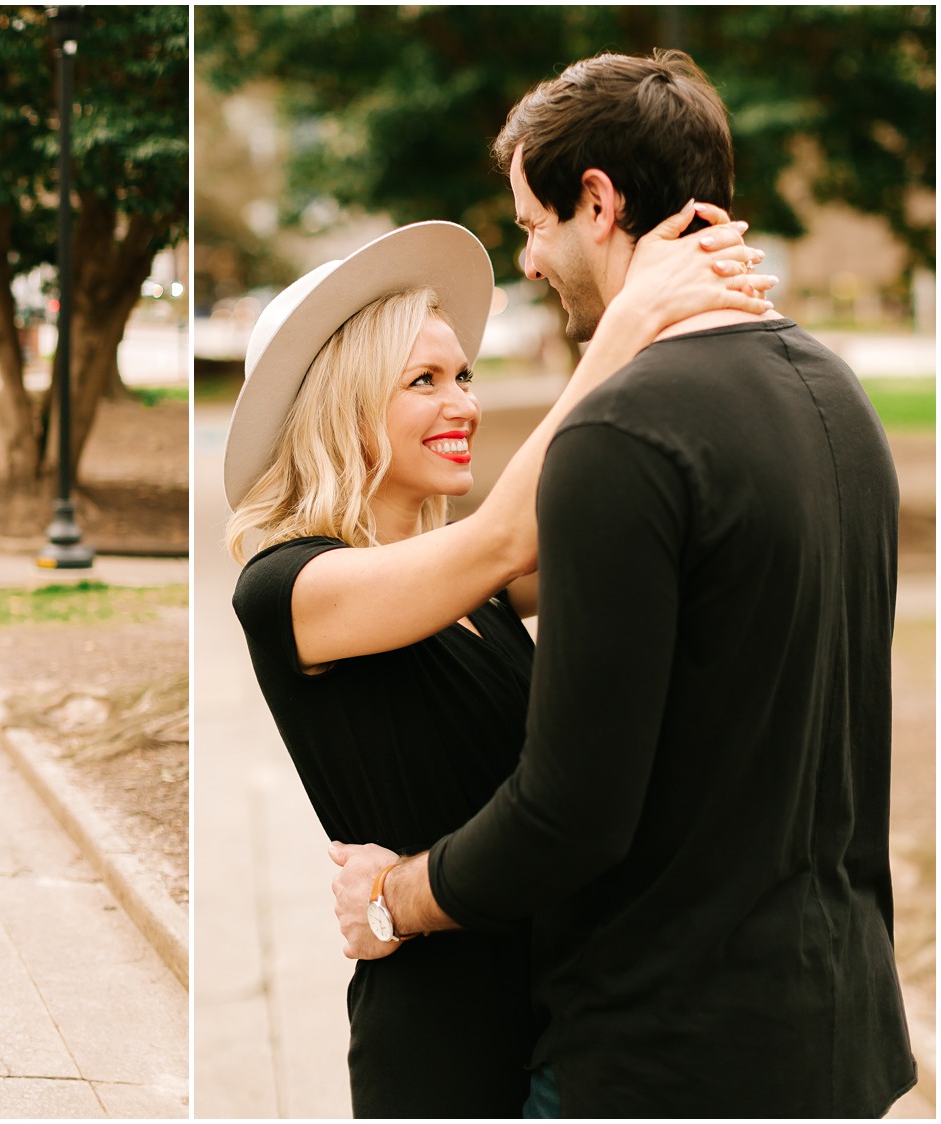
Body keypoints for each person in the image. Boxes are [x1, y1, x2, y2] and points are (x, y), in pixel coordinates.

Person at [328, 49, 916, 1117]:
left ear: (597, 202)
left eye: (531, 224)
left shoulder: (622, 433)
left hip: (664, 1055)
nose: (532, 260)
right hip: (841, 1039)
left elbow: (570, 810)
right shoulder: (840, 397)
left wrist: (397, 896)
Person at [226, 207, 773, 1114]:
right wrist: (628, 318)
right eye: (425, 381)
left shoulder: (474, 589)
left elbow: (628, 522)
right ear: (346, 401)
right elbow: (513, 527)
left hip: (569, 1013)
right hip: (447, 1037)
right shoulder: (289, 587)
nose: (465, 405)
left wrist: (694, 325)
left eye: (466, 376)